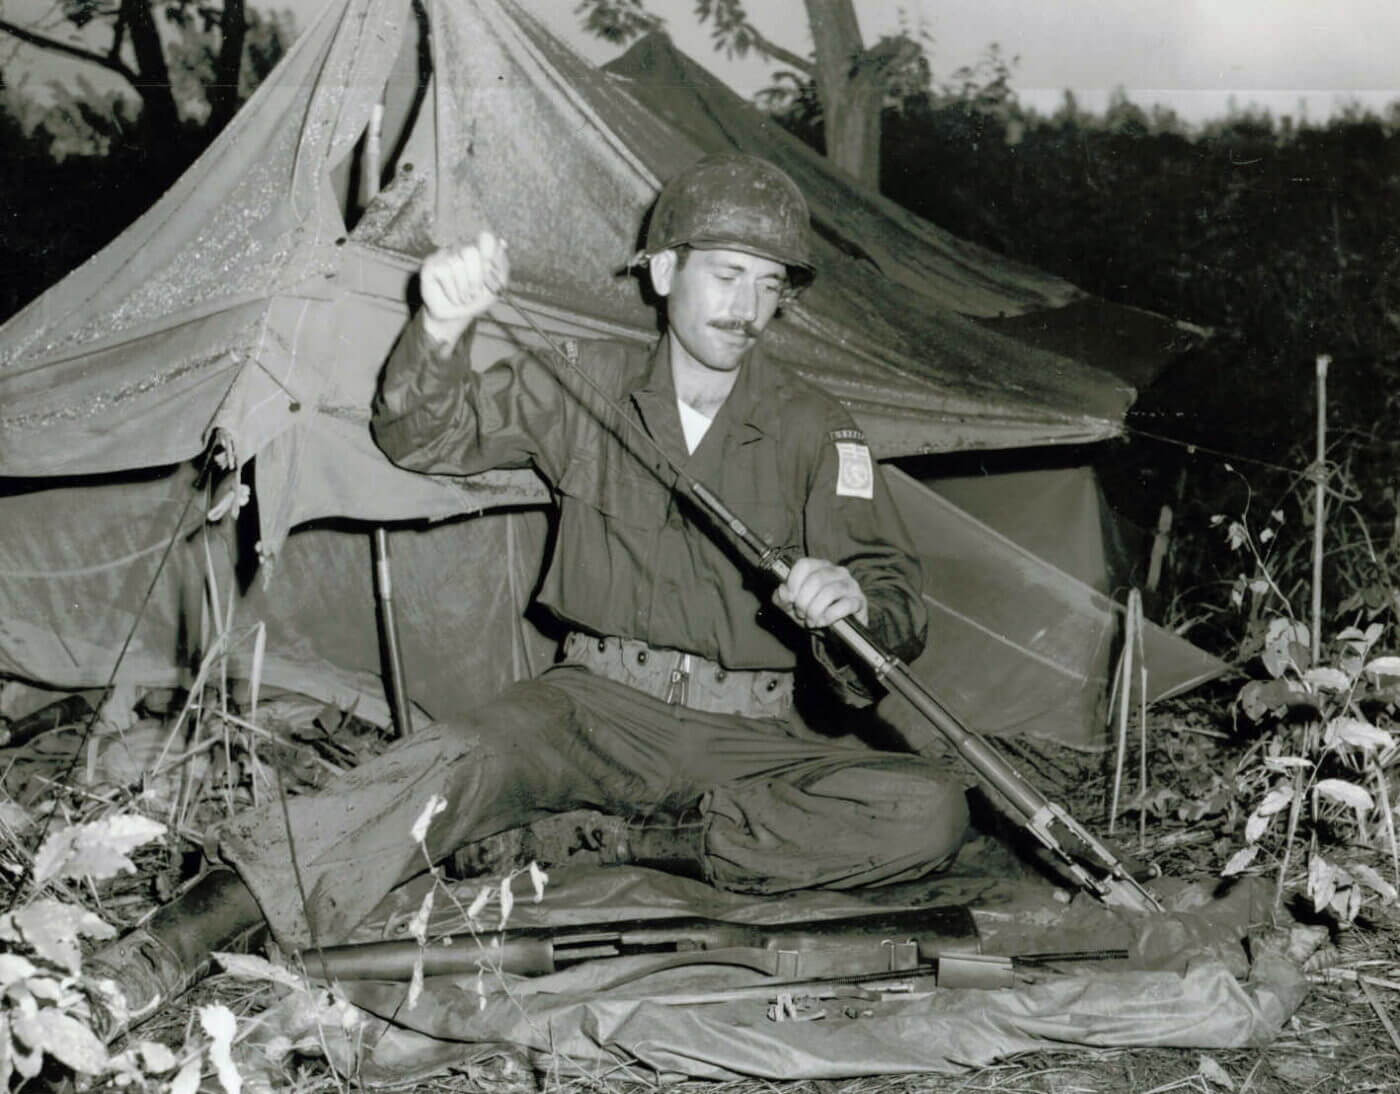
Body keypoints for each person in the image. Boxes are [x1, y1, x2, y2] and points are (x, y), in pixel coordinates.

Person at [217, 153, 969, 948]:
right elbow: (422, 436)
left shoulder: (818, 425)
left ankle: (619, 845)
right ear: (665, 272)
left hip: (748, 741)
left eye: (770, 283)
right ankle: (206, 923)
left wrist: (853, 606)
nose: (747, 306)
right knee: (455, 758)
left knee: (929, 811)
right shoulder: (584, 381)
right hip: (588, 713)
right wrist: (439, 328)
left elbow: (890, 595)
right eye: (727, 274)